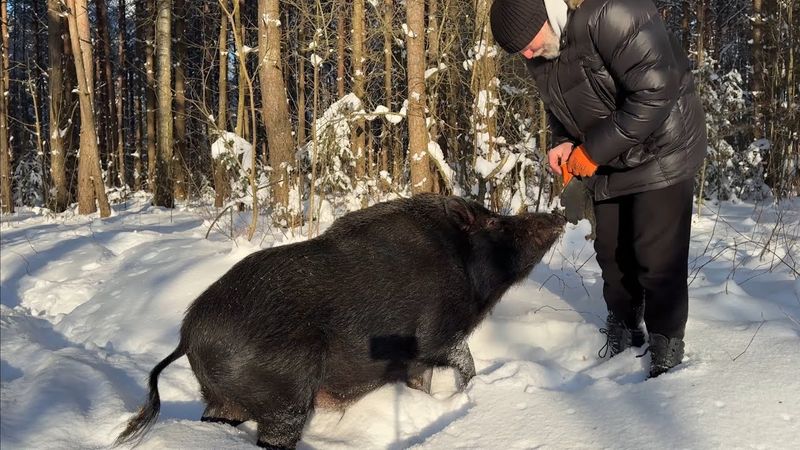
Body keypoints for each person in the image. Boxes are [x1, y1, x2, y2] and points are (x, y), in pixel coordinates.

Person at [490, 0, 707, 377]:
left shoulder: (613, 12)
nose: (527, 55)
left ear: (547, 14)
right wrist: (562, 141)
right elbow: (558, 105)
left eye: (528, 44)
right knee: (611, 252)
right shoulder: (542, 45)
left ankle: (666, 344)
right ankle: (625, 326)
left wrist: (591, 151)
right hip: (609, 155)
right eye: (520, 51)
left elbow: (656, 90)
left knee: (657, 257)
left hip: (662, 149)